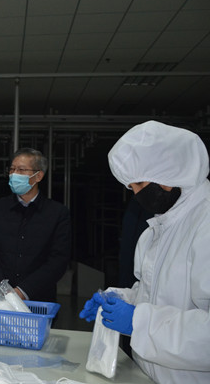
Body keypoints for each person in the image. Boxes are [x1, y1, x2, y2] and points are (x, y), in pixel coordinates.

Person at [79, 120, 210, 384]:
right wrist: (120, 299)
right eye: (131, 187)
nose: (136, 195)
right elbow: (152, 293)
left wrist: (138, 322)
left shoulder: (205, 225)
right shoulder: (157, 230)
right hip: (147, 375)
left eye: (139, 183)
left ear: (169, 173)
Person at [0, 148, 71, 302]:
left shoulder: (57, 213)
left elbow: (58, 260)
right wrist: (4, 289)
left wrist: (24, 291)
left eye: (21, 170)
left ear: (38, 176)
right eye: (12, 169)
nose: (14, 174)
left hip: (38, 299)